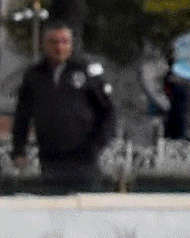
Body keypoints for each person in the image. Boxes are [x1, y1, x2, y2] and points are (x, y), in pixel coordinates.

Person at [16, 23, 118, 193]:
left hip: (84, 157)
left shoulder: (86, 71)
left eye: (64, 42)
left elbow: (107, 111)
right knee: (55, 209)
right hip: (50, 156)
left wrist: (98, 144)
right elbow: (22, 116)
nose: (59, 47)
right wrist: (19, 150)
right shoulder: (34, 75)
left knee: (86, 208)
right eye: (54, 42)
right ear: (44, 44)